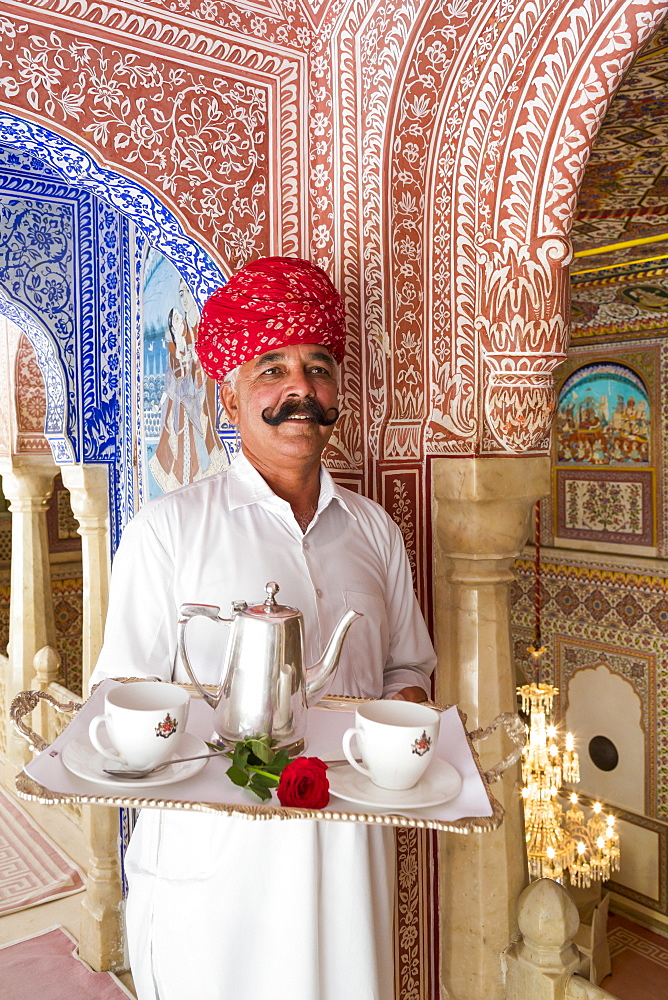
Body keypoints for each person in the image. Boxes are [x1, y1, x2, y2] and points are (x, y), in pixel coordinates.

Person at [90, 256, 436, 1000]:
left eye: (318, 368)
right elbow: (118, 696)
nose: (300, 390)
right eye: (272, 369)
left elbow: (407, 668)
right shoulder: (169, 530)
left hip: (349, 858)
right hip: (219, 871)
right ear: (232, 393)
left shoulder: (375, 532)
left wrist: (394, 734)